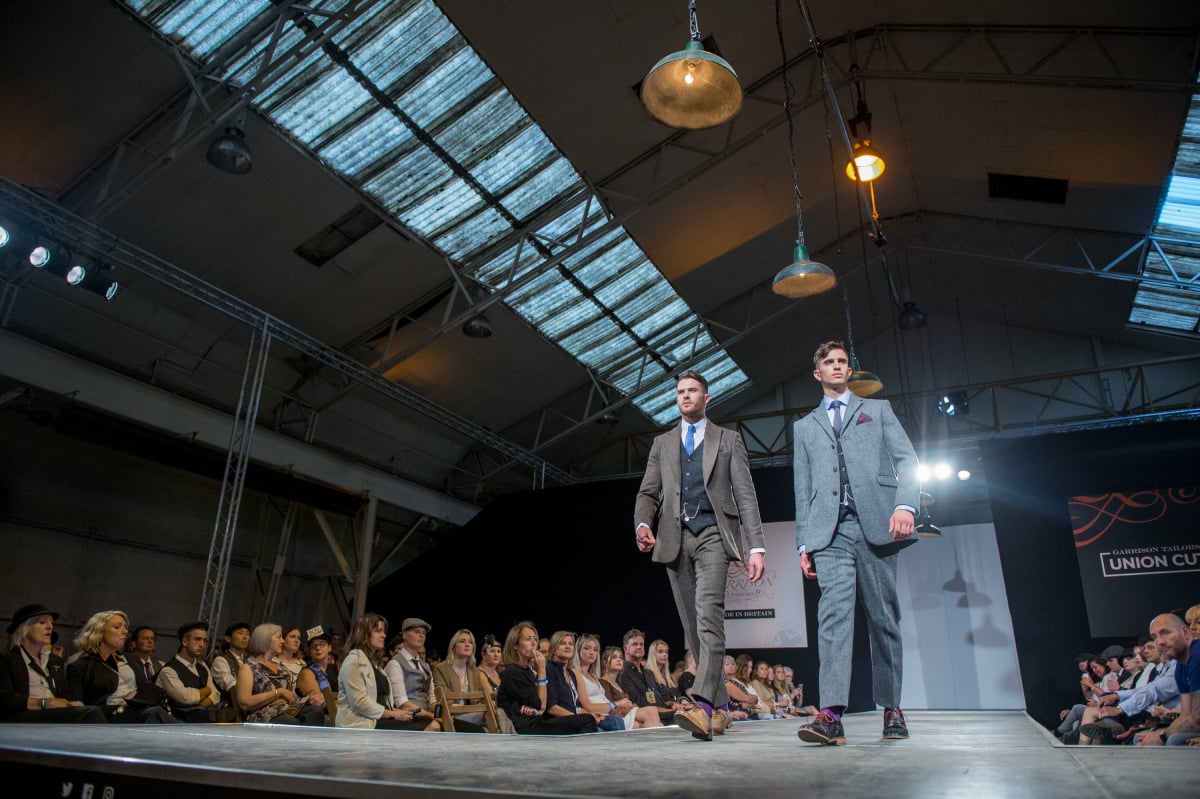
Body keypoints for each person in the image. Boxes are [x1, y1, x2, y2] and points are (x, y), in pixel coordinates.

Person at [792, 340, 920, 746]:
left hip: (878, 526)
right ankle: (831, 714)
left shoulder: (876, 411)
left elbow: (908, 461)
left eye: (842, 362)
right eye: (828, 363)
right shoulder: (804, 426)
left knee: (884, 618)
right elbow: (803, 488)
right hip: (829, 534)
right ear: (818, 373)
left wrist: (905, 505)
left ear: (849, 370)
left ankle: (892, 708)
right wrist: (803, 544)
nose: (836, 367)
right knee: (832, 619)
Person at [634, 369, 767, 741]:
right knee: (693, 632)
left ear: (706, 398)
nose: (686, 396)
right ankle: (723, 708)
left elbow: (746, 496)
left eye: (692, 390)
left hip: (713, 535)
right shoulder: (662, 443)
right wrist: (642, 525)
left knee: (709, 616)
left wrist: (756, 546)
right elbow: (648, 493)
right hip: (675, 539)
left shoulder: (728, 439)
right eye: (680, 391)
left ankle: (704, 704)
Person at [1, 602, 106, 723]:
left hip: (51, 714)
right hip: (21, 715)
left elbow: (65, 694)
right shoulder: (6, 659)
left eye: (51, 622)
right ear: (24, 628)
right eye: (42, 622)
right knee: (91, 714)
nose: (50, 626)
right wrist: (46, 703)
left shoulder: (54, 661)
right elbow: (5, 698)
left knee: (91, 711)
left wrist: (73, 703)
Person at [65, 609, 176, 723]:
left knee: (163, 712)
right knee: (155, 714)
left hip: (138, 710)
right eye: (117, 627)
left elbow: (143, 688)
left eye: (125, 627)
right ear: (99, 631)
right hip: (110, 714)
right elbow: (79, 705)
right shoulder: (81, 666)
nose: (125, 631)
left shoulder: (132, 659)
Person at [335, 613, 437, 730]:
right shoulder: (354, 660)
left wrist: (398, 713)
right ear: (363, 633)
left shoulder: (374, 664)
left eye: (383, 631)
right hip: (361, 722)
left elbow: (383, 702)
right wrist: (394, 714)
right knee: (432, 726)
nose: (384, 635)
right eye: (378, 631)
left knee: (428, 721)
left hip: (377, 718)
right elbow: (359, 703)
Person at [496, 621, 596, 735]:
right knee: (586, 721)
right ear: (515, 645)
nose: (534, 643)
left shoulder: (527, 671)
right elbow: (540, 705)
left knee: (585, 720)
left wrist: (537, 707)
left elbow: (540, 706)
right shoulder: (512, 672)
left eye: (535, 638)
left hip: (538, 721)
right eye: (528, 639)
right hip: (527, 728)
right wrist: (542, 671)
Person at [236, 623, 324, 725]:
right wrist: (279, 693)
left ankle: (308, 740)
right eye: (279, 637)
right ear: (266, 639)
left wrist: (308, 699)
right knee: (291, 722)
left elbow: (290, 696)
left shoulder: (282, 668)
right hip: (265, 715)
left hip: (288, 710)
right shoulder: (248, 668)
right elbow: (244, 702)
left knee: (315, 712)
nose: (282, 641)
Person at [1136, 612, 1199, 746]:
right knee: (1143, 738)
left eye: (1165, 633)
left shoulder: (1197, 656)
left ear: (1185, 632)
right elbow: (1186, 714)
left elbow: (1198, 718)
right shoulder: (1181, 667)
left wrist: (1162, 737)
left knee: (1174, 740)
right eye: (1154, 637)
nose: (1160, 642)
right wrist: (1157, 733)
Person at [156, 621, 224, 722]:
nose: (202, 645)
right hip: (175, 725)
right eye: (197, 639)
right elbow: (186, 697)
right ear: (185, 642)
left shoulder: (202, 668)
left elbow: (216, 694)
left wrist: (202, 703)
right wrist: (206, 691)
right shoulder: (169, 670)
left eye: (204, 640)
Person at [430, 628, 488, 732]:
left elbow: (480, 700)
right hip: (453, 717)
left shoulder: (474, 670)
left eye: (470, 642)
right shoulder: (441, 669)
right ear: (453, 647)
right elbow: (445, 703)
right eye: (462, 641)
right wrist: (472, 709)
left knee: (497, 715)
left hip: (475, 715)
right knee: (490, 718)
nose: (467, 644)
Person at [596, 645, 663, 729]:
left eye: (621, 657)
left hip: (627, 713)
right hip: (617, 716)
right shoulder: (602, 682)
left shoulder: (618, 683)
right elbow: (608, 708)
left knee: (655, 718)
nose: (619, 660)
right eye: (614, 657)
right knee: (651, 712)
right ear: (605, 663)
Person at [384, 617, 438, 721]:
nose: (421, 635)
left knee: (461, 727)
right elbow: (402, 703)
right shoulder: (395, 664)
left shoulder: (425, 666)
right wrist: (432, 716)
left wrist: (440, 715)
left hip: (427, 716)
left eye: (424, 633)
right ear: (404, 635)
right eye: (417, 631)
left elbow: (432, 698)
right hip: (407, 717)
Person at [209, 620, 249, 721]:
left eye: (247, 634)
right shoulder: (221, 660)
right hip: (230, 708)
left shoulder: (250, 661)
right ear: (228, 638)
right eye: (240, 633)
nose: (245, 637)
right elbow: (230, 684)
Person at [305, 625, 339, 721]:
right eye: (313, 646)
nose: (317, 648)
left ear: (329, 648)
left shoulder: (336, 667)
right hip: (324, 716)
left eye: (322, 644)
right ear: (310, 651)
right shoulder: (307, 672)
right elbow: (320, 702)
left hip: (341, 711)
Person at [128, 626, 165, 690]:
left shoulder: (161, 665)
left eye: (152, 639)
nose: (150, 641)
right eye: (145, 638)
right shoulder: (126, 663)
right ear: (134, 643)